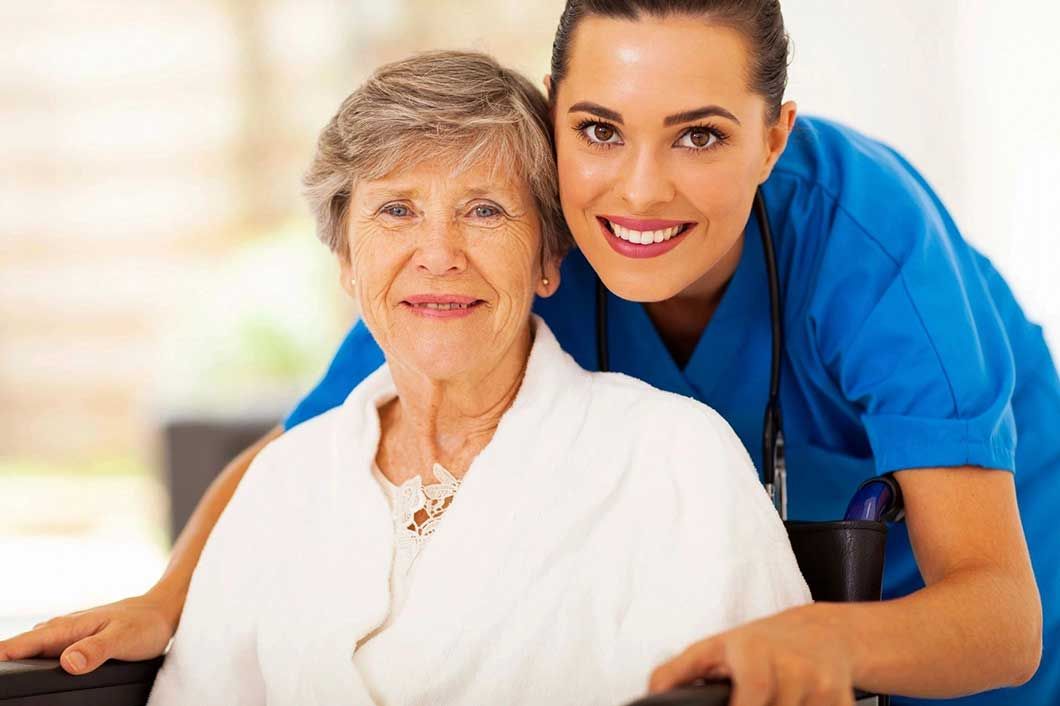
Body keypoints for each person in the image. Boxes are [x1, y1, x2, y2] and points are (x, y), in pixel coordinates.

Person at [2, 1, 1054, 704]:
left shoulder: (865, 245)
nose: (639, 190)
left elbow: (1003, 617)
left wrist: (830, 639)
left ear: (773, 138)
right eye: (599, 128)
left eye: (698, 135)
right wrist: (165, 599)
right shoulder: (527, 226)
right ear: (557, 121)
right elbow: (303, 448)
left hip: (979, 591)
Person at [141, 50, 810, 705]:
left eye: (484, 210)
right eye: (397, 210)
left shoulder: (671, 457)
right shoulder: (284, 481)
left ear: (549, 258)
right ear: (346, 260)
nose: (438, 255)